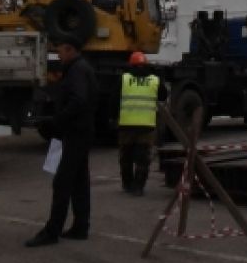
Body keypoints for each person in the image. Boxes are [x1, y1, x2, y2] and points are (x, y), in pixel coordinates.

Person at [25, 33, 99, 247]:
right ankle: (80, 226)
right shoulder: (82, 68)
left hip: (76, 132)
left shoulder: (76, 70)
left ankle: (52, 231)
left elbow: (78, 100)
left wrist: (59, 119)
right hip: (81, 131)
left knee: (63, 182)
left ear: (70, 50)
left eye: (60, 50)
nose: (58, 54)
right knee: (79, 181)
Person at [116, 51, 166, 196]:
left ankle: (127, 184)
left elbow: (114, 100)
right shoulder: (154, 80)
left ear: (130, 65)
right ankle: (138, 187)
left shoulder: (124, 79)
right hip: (146, 126)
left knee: (126, 157)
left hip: (126, 125)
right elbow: (163, 95)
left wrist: (113, 118)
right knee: (142, 158)